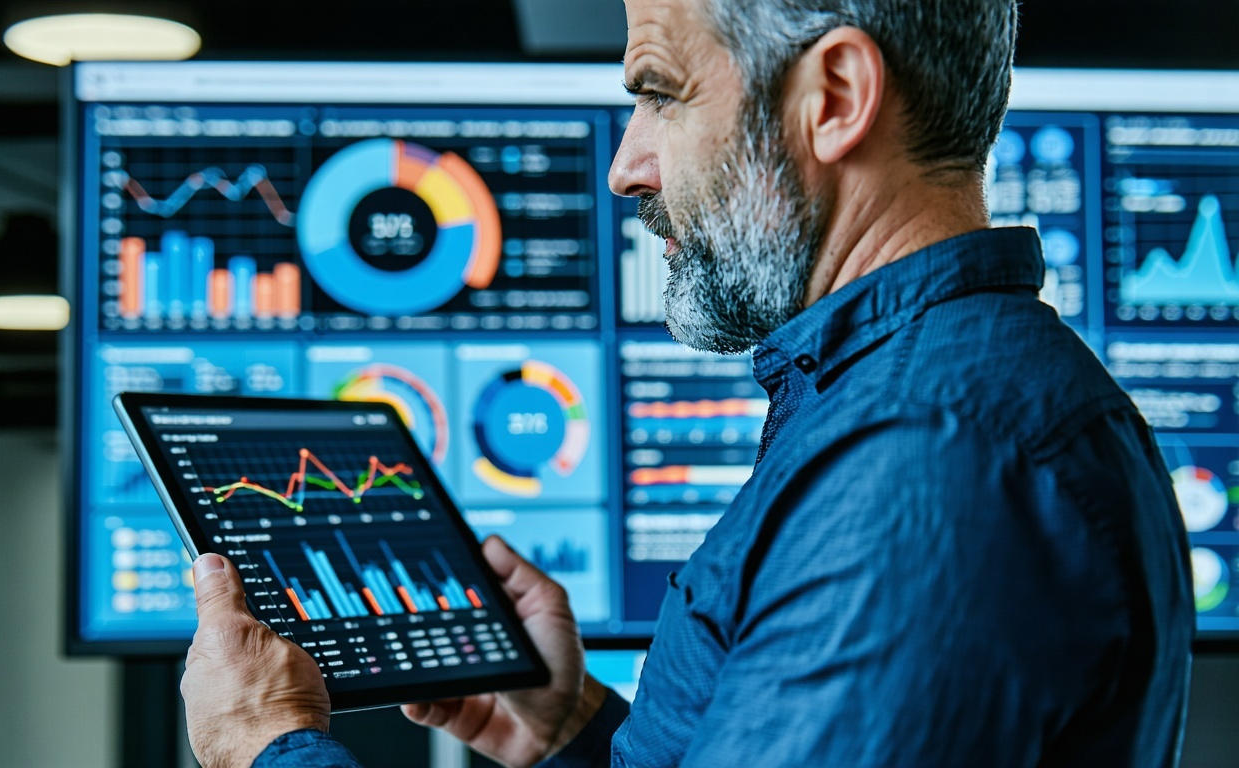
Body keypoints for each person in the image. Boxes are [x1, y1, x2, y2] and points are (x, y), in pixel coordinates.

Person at [180, 0, 1196, 765]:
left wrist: (268, 743)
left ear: (835, 98)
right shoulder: (897, 403)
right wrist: (572, 732)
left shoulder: (932, 462)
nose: (626, 166)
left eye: (661, 94)